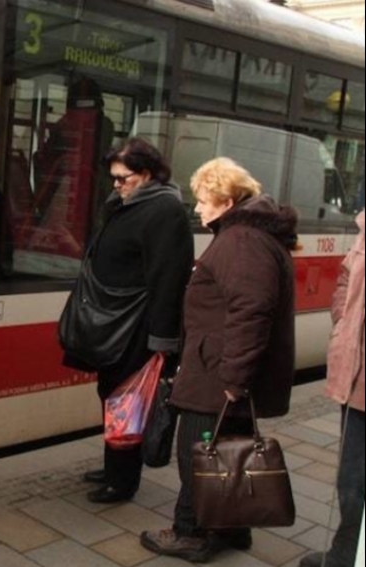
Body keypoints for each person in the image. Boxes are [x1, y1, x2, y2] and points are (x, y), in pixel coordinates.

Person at [140, 157, 297, 562]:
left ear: (226, 200)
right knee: (229, 451)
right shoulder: (248, 235)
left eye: (203, 198)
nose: (197, 207)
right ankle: (231, 528)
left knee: (199, 452)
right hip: (223, 368)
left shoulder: (241, 240)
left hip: (217, 376)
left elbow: (251, 310)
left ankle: (190, 532)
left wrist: (233, 377)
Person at [63, 137, 193, 503]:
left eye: (124, 178)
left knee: (127, 401)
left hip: (136, 326)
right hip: (115, 320)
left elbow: (169, 279)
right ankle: (113, 464)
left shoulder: (164, 211)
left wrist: (163, 342)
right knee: (111, 393)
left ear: (147, 174)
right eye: (113, 178)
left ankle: (122, 482)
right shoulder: (127, 203)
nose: (117, 184)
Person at [299, 210, 364, 567]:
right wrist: (344, 322)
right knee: (352, 478)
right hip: (355, 376)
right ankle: (347, 551)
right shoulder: (364, 230)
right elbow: (344, 280)